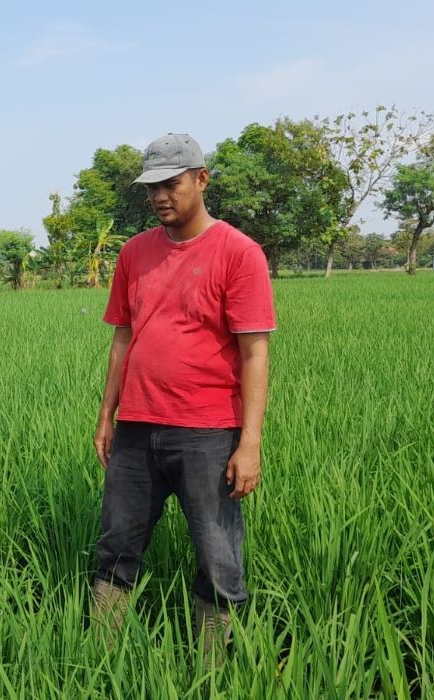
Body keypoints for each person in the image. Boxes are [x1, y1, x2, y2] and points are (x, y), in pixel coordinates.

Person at [91, 134, 275, 660]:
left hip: (209, 431)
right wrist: (107, 415)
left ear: (201, 179)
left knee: (219, 558)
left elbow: (254, 353)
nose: (159, 196)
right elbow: (122, 336)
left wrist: (250, 443)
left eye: (170, 184)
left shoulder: (239, 253)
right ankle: (102, 657)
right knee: (116, 546)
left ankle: (213, 669)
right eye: (152, 187)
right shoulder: (135, 253)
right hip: (136, 427)